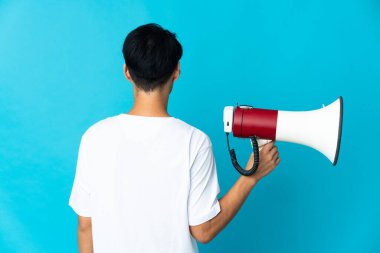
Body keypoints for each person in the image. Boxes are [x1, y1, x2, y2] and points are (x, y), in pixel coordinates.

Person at [68, 23, 280, 253]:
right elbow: (204, 230)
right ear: (176, 71)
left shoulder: (94, 137)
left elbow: (85, 226)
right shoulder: (194, 142)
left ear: (126, 71)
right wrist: (251, 176)